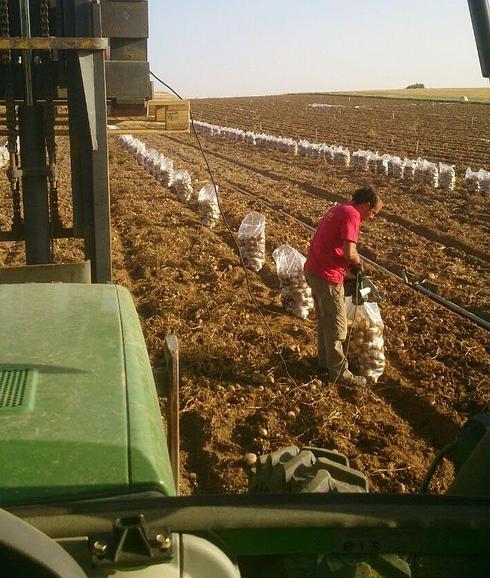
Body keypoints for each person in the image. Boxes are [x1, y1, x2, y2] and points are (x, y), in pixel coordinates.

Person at [304, 187, 383, 386]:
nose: (372, 217)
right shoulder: (352, 214)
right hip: (327, 275)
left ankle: (324, 363)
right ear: (366, 205)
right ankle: (340, 374)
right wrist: (359, 264)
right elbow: (350, 253)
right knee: (337, 327)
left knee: (325, 320)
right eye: (373, 213)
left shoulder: (341, 208)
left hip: (314, 269)